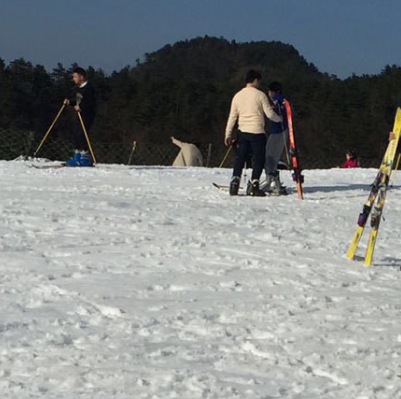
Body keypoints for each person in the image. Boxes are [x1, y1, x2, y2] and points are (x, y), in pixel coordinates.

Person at [225, 70, 282, 196]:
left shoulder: (237, 96)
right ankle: (254, 185)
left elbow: (232, 117)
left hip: (242, 132)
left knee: (241, 157)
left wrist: (228, 134)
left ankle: (235, 181)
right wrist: (280, 119)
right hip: (257, 132)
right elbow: (269, 114)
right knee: (259, 159)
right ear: (255, 80)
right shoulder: (260, 95)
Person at [64, 67, 96, 166]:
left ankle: (85, 158)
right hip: (79, 115)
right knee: (76, 134)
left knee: (82, 134)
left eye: (75, 77)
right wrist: (70, 102)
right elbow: (78, 102)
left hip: (87, 115)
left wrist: (80, 107)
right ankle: (77, 156)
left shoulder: (89, 89)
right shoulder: (80, 89)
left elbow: (90, 103)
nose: (73, 79)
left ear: (81, 76)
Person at [264, 81, 288, 195]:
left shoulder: (279, 100)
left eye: (270, 91)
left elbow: (284, 111)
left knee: (270, 156)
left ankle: (272, 181)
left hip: (279, 132)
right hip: (275, 131)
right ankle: (271, 179)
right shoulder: (276, 101)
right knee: (268, 155)